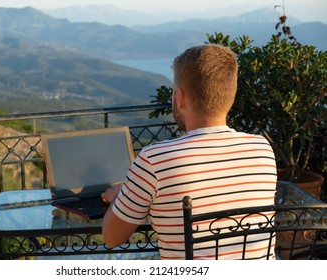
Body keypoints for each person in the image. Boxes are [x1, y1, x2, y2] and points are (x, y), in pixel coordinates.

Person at [101, 44, 277, 259]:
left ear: (180, 97)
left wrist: (125, 192)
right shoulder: (262, 149)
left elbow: (111, 238)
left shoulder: (154, 161)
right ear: (230, 95)